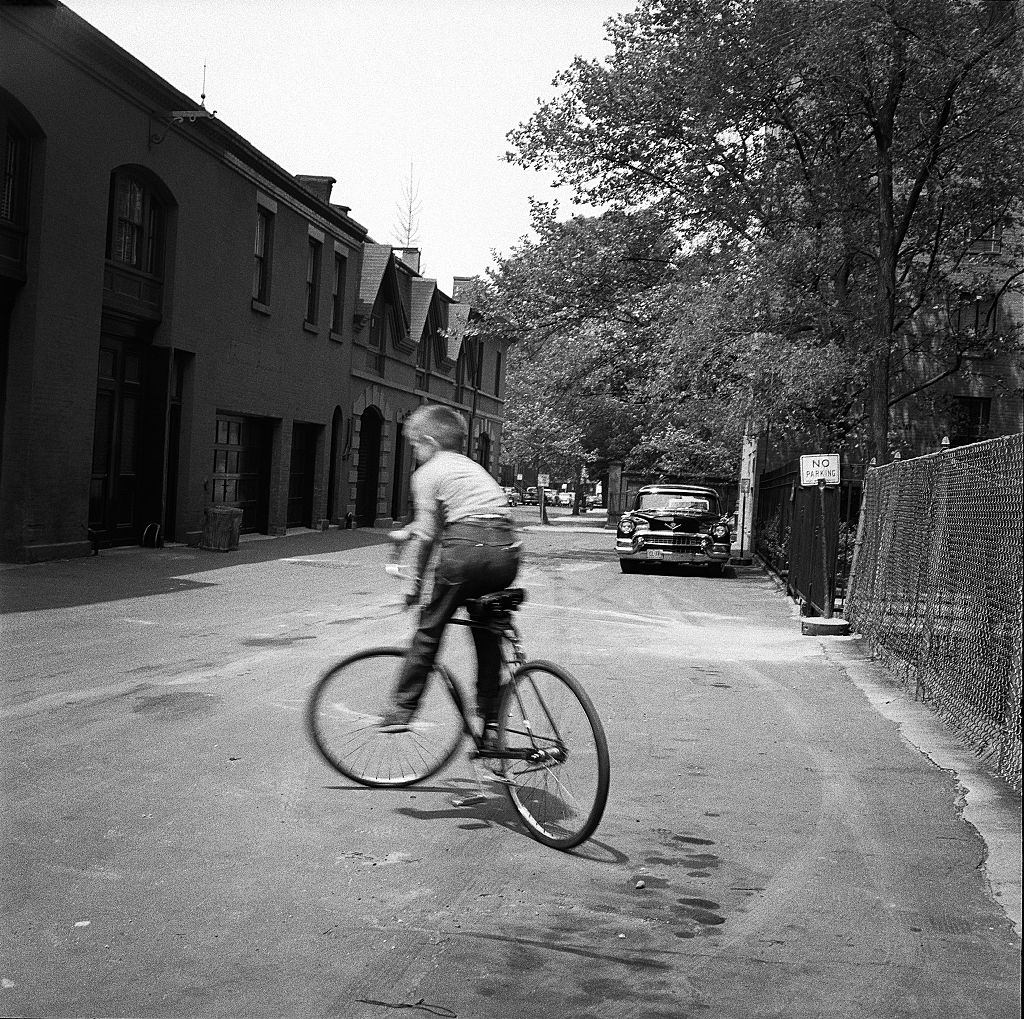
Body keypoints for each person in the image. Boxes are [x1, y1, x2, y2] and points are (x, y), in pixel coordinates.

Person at [381, 405, 520, 747]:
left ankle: (402, 709)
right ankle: (490, 725)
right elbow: (465, 515)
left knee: (429, 630)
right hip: (506, 552)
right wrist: (408, 532)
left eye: (415, 446)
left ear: (428, 441)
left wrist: (413, 585)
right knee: (487, 636)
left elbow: (431, 533)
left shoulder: (427, 473)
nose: (414, 453)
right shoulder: (472, 469)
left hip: (465, 554)